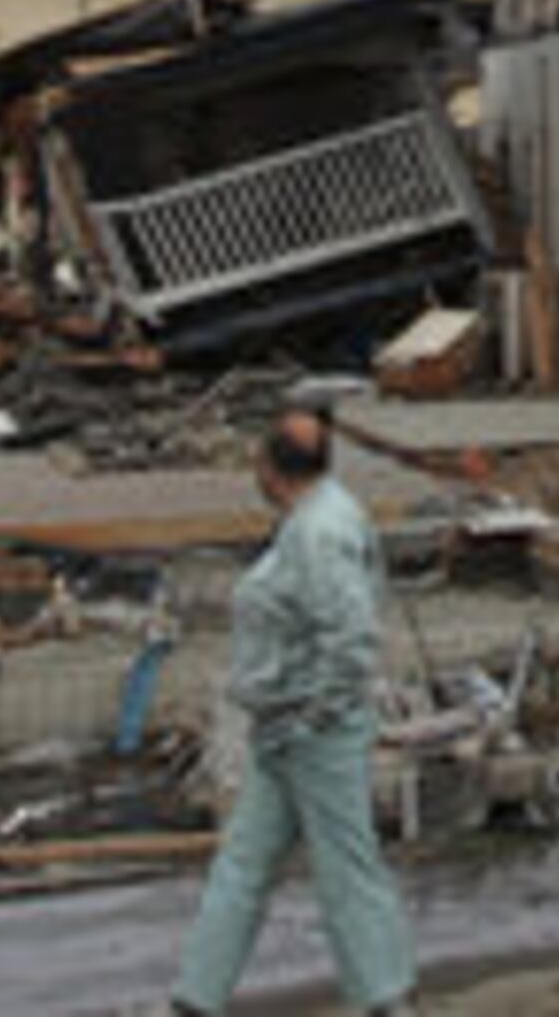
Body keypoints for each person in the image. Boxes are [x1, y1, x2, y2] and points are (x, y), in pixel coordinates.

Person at [171, 405, 415, 1016]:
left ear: (271, 468)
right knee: (242, 867)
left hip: (314, 732)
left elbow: (352, 637)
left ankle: (385, 1000)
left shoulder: (319, 532)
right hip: (282, 729)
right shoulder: (317, 517)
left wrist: (318, 714)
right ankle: (195, 1001)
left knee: (344, 872)